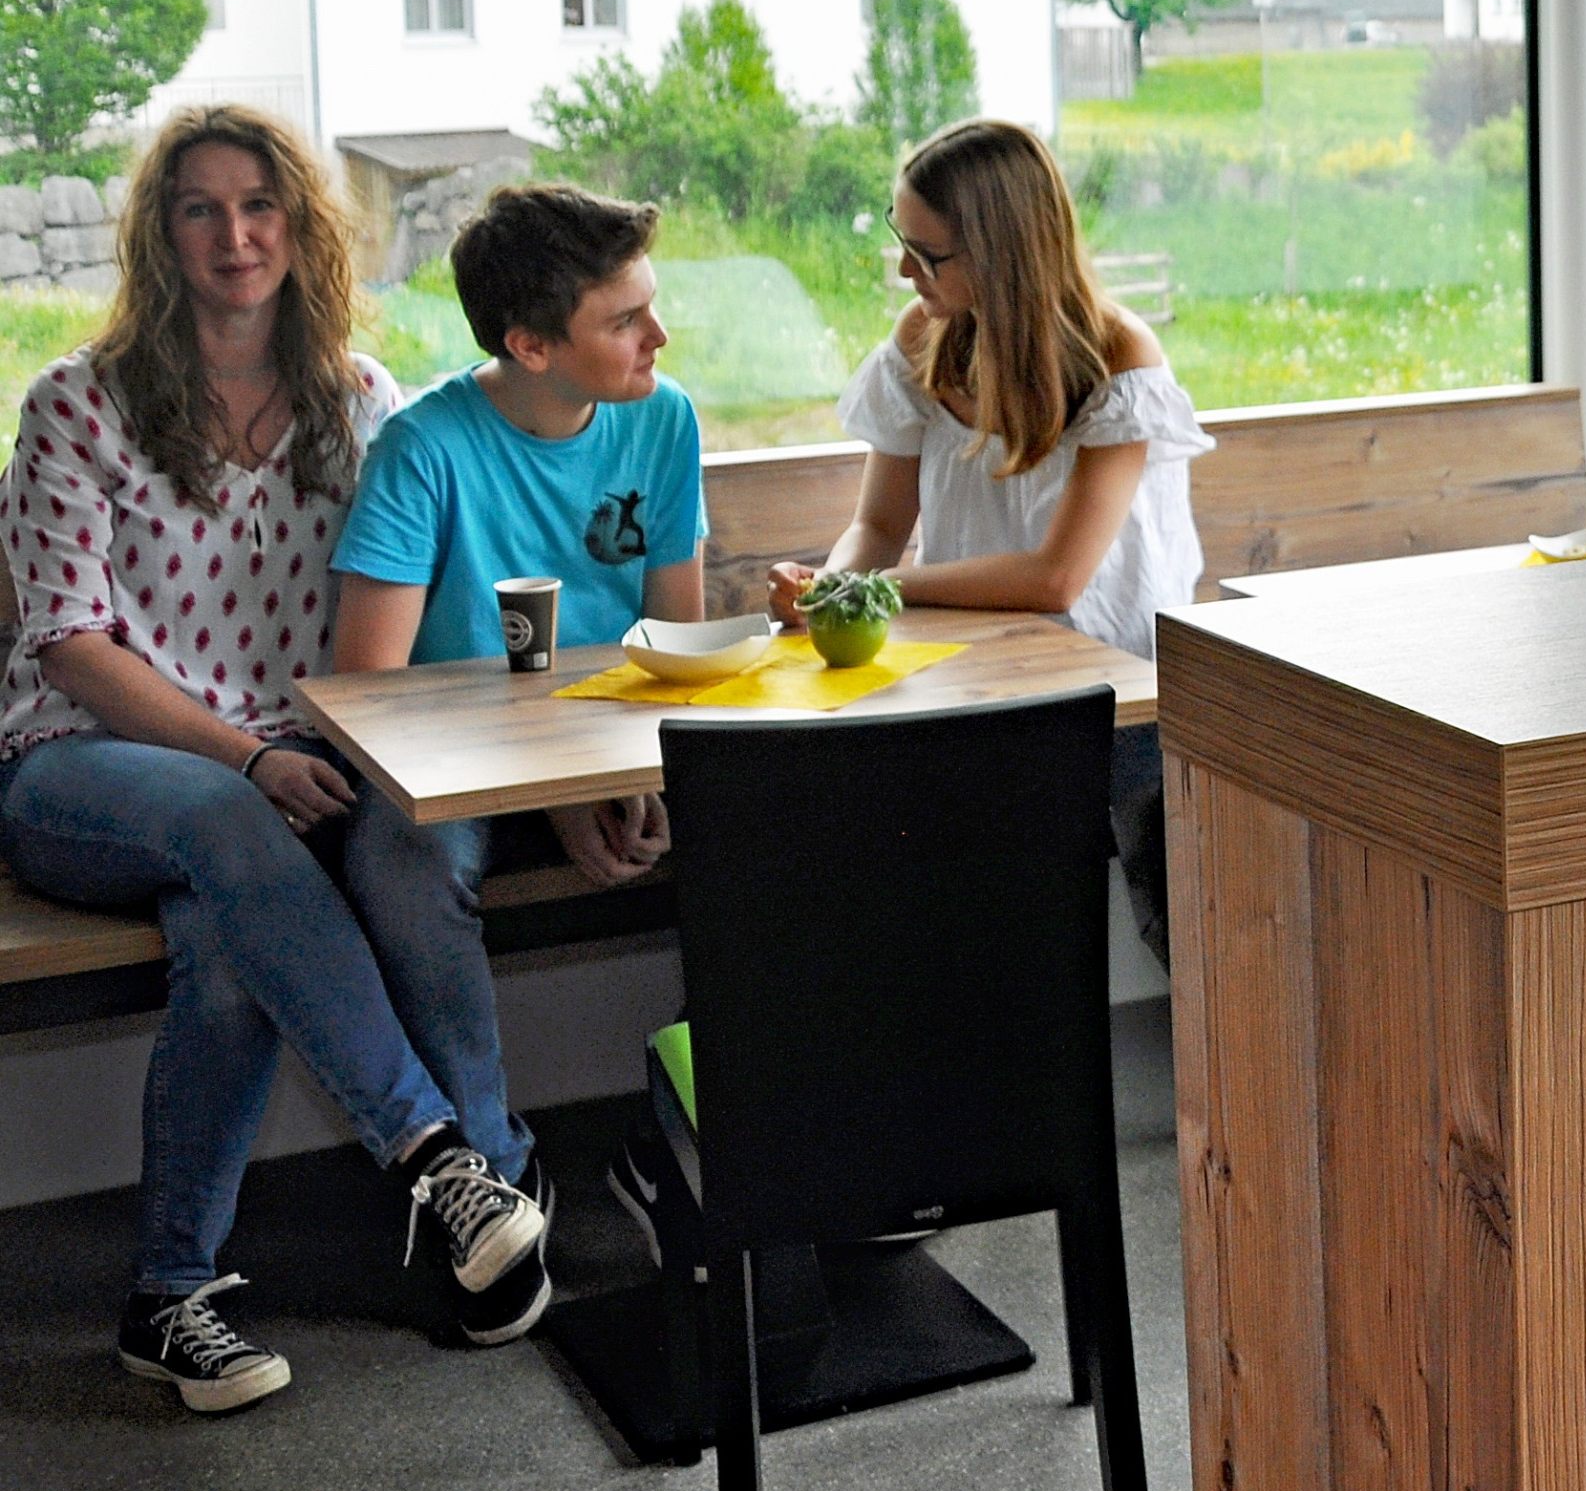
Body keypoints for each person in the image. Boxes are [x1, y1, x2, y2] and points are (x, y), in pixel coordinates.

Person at [0, 108, 550, 1408]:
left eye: (261, 206)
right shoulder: (78, 405)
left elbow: (427, 582)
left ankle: (167, 1298)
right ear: (161, 233)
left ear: (300, 228)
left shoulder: (355, 402)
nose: (235, 234)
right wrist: (250, 758)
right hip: (80, 772)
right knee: (226, 830)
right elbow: (69, 643)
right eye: (200, 207)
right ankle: (440, 1157)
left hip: (270, 794)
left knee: (226, 949)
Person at [765, 118, 1202, 960]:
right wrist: (829, 588)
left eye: (929, 254)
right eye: (903, 241)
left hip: (1122, 693)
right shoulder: (923, 340)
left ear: (1004, 250)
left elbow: (1055, 580)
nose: (905, 270)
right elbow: (880, 525)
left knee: (1171, 925)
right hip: (974, 682)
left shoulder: (1118, 356)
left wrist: (875, 593)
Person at [333, 183, 706, 893]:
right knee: (407, 859)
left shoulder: (665, 417)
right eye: (626, 320)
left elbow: (675, 639)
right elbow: (367, 694)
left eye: (650, 306)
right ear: (530, 346)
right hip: (457, 755)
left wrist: (620, 774)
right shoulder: (421, 448)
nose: (658, 337)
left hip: (612, 739)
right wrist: (553, 789)